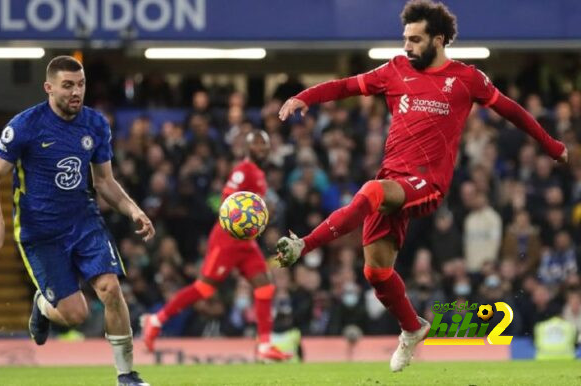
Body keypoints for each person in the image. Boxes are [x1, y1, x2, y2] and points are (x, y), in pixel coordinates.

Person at [275, 0, 568, 372]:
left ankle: (304, 243)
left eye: (415, 39)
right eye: (405, 38)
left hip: (427, 183)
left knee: (370, 191)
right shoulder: (394, 71)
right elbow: (346, 86)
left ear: (439, 39)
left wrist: (552, 146)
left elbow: (512, 111)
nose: (407, 46)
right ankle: (412, 328)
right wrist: (305, 96)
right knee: (376, 273)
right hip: (392, 177)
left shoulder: (467, 79)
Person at [0, 56, 153, 386]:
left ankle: (126, 374)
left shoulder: (96, 124)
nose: (76, 92)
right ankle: (42, 305)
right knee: (76, 315)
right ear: (49, 88)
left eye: (81, 84)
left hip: (83, 222)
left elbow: (104, 182)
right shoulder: (25, 126)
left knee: (111, 289)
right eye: (68, 85)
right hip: (39, 231)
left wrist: (133, 210)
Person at [141, 130, 292, 362]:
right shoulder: (243, 171)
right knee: (205, 289)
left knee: (265, 287)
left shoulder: (259, 173)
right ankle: (157, 319)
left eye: (265, 145)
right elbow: (227, 202)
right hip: (227, 240)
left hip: (246, 242)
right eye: (257, 145)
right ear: (248, 148)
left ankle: (264, 345)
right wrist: (248, 214)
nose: (261, 149)